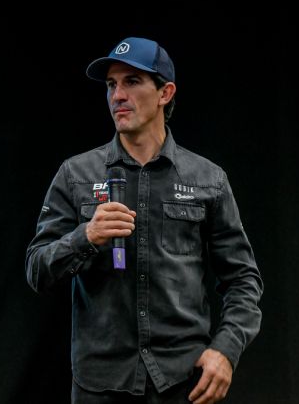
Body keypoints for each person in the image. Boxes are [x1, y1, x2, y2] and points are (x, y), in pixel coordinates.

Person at [25, 37, 263, 404]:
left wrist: (225, 350)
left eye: (132, 81)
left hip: (183, 382)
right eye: (111, 85)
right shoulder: (76, 175)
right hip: (100, 385)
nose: (117, 95)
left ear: (165, 93)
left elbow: (243, 280)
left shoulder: (207, 179)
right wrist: (86, 236)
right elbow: (37, 269)